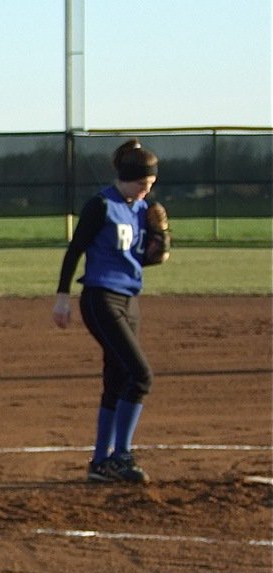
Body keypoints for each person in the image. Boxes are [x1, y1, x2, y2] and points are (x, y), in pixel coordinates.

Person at [53, 138, 170, 485]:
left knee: (117, 378)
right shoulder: (101, 205)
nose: (147, 191)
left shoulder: (140, 209)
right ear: (129, 178)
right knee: (141, 375)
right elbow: (75, 250)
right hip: (100, 297)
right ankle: (121, 455)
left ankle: (101, 463)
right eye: (144, 184)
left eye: (150, 185)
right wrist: (62, 296)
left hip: (129, 299)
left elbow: (140, 258)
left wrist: (159, 241)